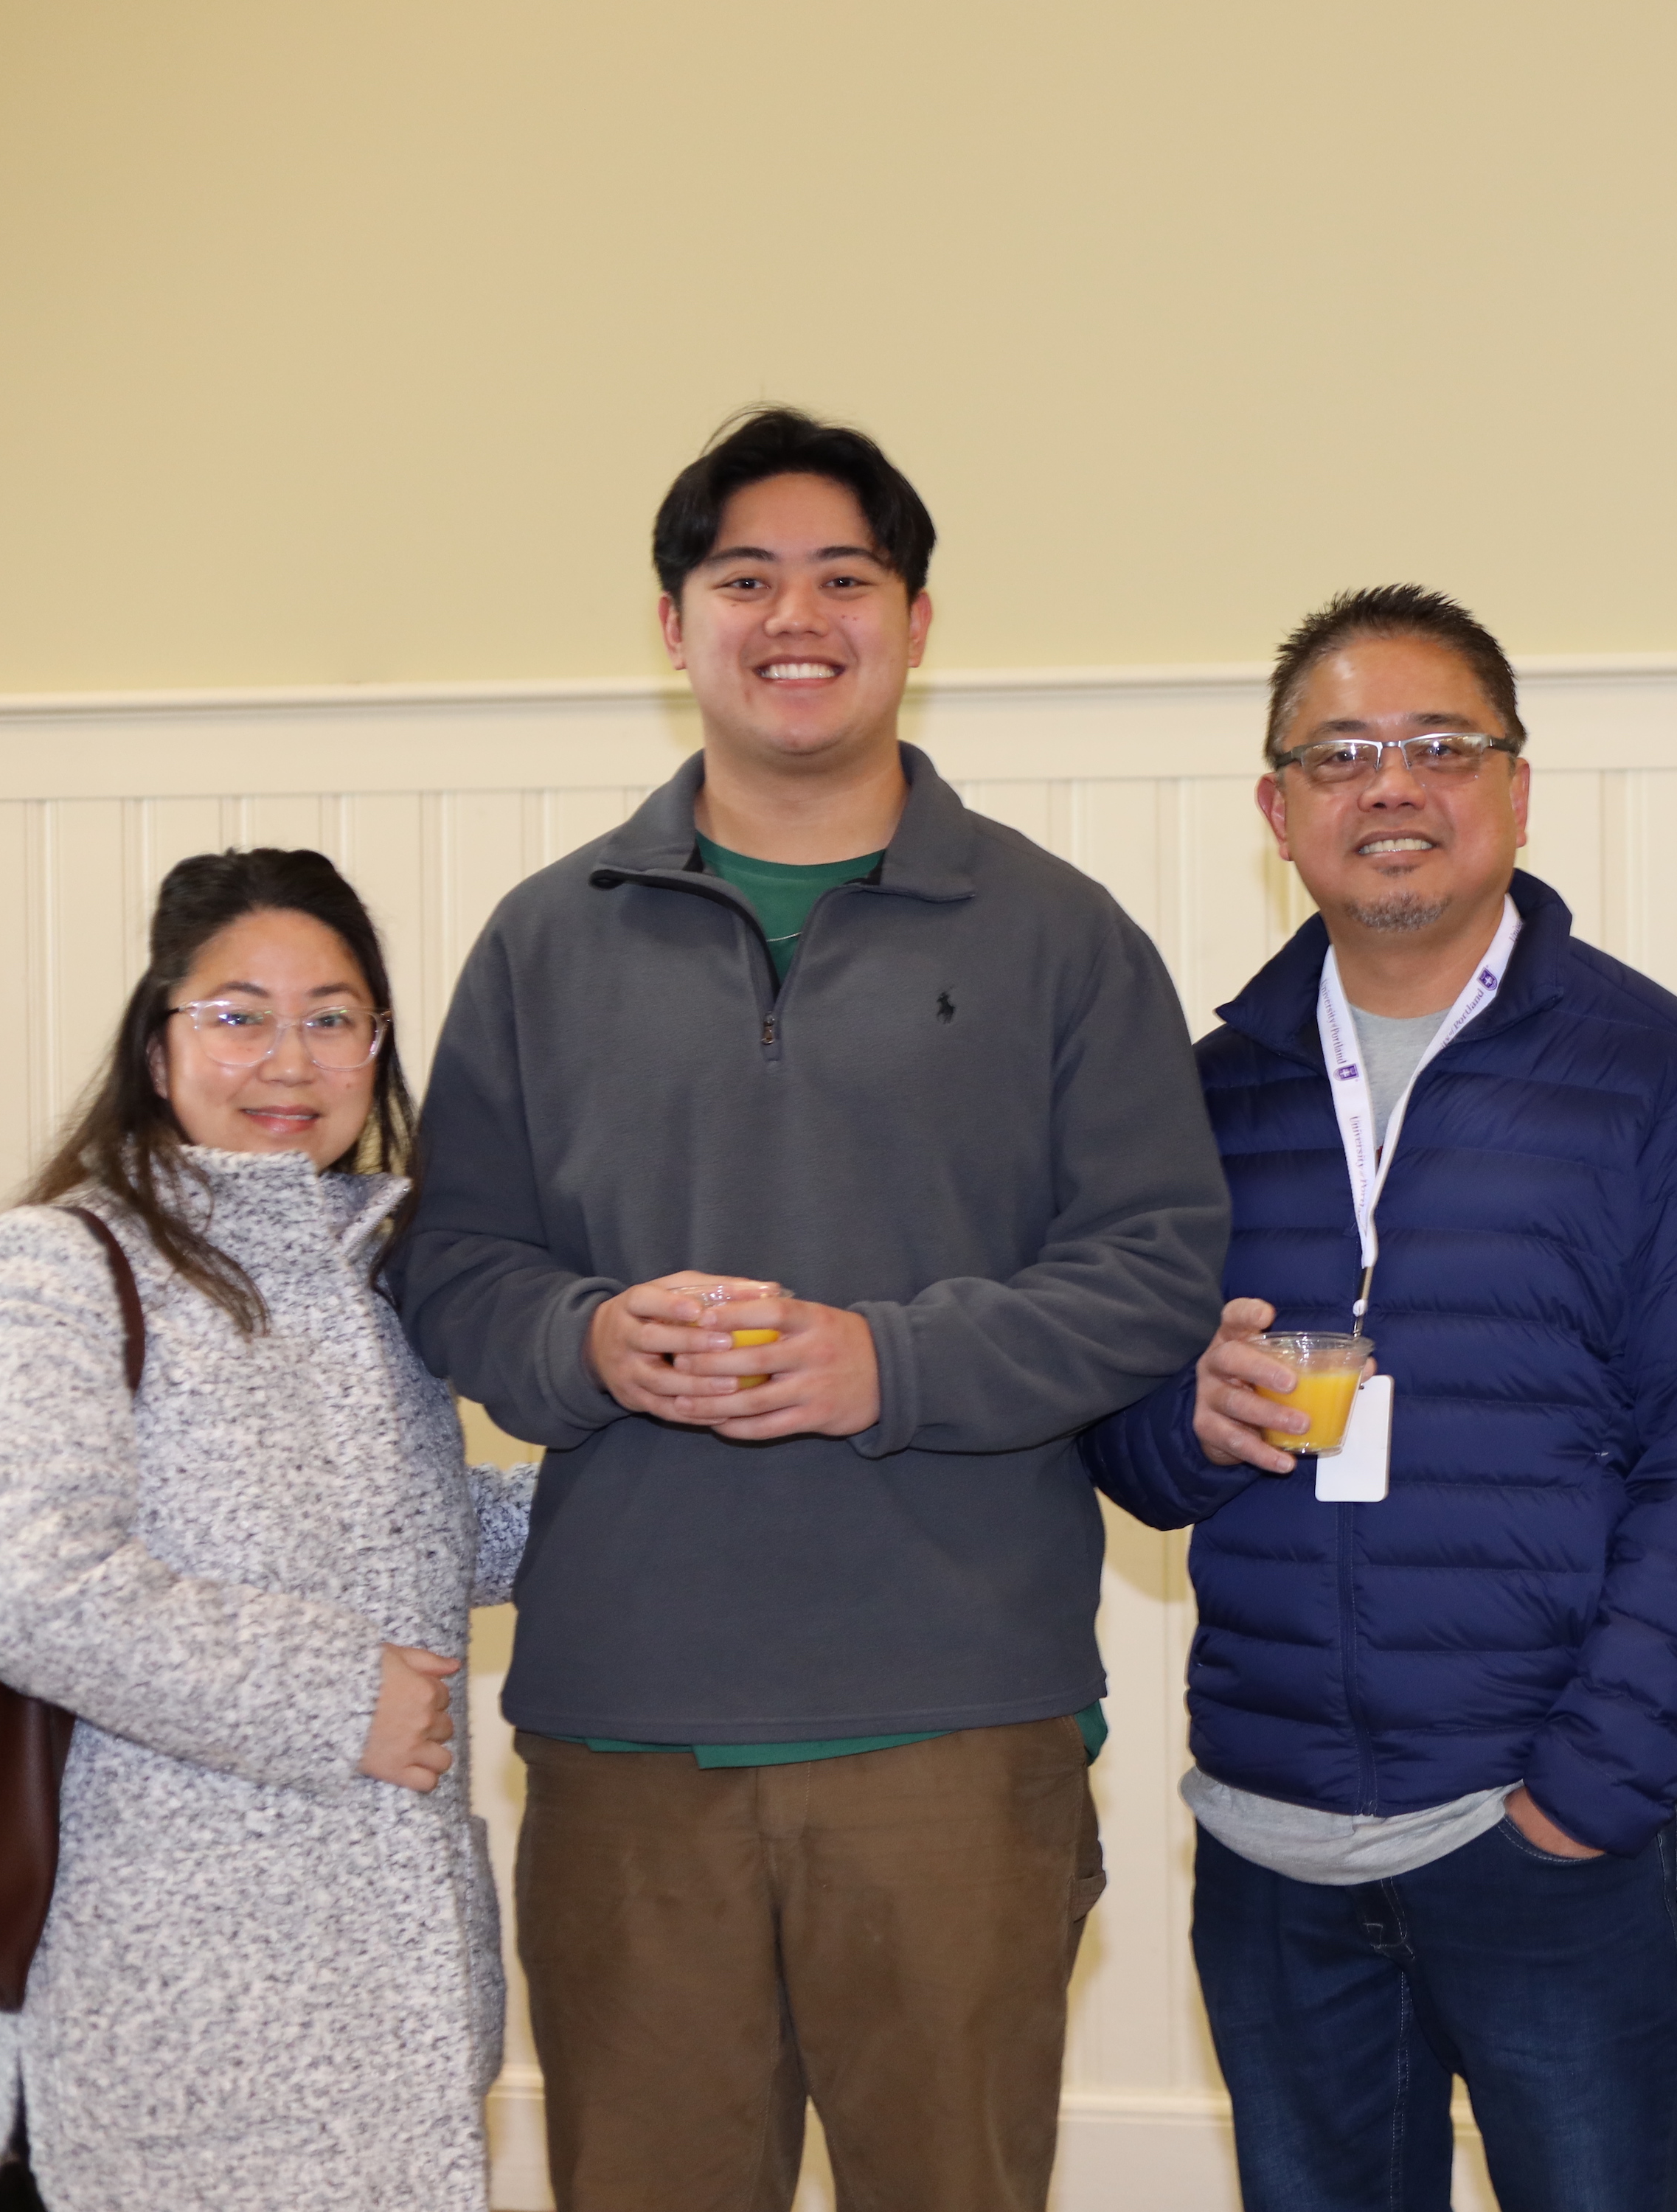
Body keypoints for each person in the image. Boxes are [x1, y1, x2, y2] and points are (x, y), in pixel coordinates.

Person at [400, 407, 1228, 2212]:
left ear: (918, 624)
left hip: (957, 1720)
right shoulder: (548, 940)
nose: (797, 615)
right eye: (744, 577)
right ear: (673, 623)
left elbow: (1156, 1266)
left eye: (845, 578)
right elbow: (454, 1266)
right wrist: (589, 1341)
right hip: (628, 1730)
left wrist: (889, 1362)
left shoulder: (1059, 937)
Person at [1086, 584, 1677, 2212]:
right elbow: (1118, 1441)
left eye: (1439, 746)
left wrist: (1589, 1794)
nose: (1390, 785)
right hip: (1266, 1838)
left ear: (1516, 786)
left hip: (1541, 1833)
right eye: (1339, 754)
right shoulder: (1204, 1093)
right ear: (1278, 809)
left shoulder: (1657, 1075)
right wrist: (1182, 1415)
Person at [0, 849, 531, 2211]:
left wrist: (687, 1483)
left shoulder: (391, 1275)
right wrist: (338, 1699)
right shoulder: (60, 1260)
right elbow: (27, 1575)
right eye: (238, 1014)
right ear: (158, 1046)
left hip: (393, 1976)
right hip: (157, 1994)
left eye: (333, 1018)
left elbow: (429, 1545)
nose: (290, 1058)